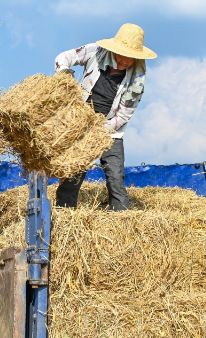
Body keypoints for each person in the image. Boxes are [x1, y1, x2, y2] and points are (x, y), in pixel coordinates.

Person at [53, 24, 156, 211]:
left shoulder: (137, 77)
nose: (125, 61)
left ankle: (120, 216)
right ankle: (64, 213)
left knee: (115, 175)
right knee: (74, 172)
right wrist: (64, 75)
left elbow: (125, 113)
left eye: (131, 58)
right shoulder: (96, 52)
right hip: (80, 125)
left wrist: (101, 130)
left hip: (111, 129)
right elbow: (64, 57)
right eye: (121, 54)